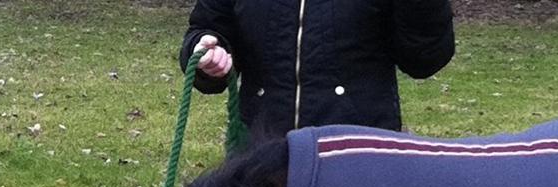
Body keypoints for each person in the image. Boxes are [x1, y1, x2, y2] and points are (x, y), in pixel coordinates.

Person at [179, 0, 456, 137]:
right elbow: (207, 26)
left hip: (357, 152)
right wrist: (205, 52)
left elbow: (424, 58)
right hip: (262, 152)